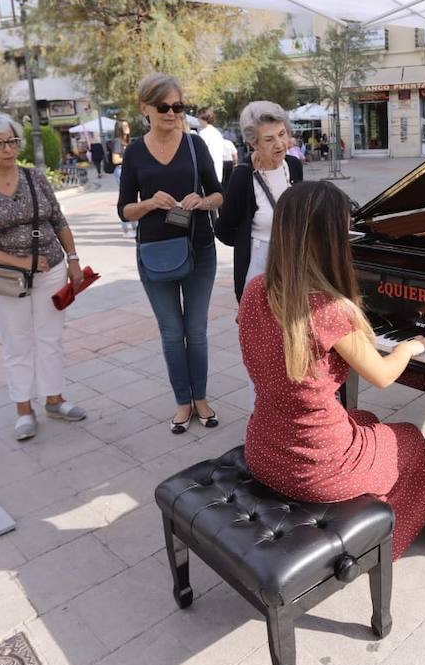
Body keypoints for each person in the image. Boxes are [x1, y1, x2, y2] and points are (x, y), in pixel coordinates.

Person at [239, 182, 425, 558]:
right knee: (409, 439)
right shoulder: (327, 309)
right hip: (313, 472)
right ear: (330, 239)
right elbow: (383, 376)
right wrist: (408, 347)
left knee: (365, 419)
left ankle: (399, 502)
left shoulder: (255, 289)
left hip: (264, 450)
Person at [0, 112, 88, 441]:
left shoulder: (35, 178)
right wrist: (20, 262)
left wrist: (73, 260)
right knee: (17, 343)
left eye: (12, 141)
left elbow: (58, 220)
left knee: (50, 337)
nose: (8, 149)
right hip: (5, 279)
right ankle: (23, 409)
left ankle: (54, 400)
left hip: (51, 268)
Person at [118, 73, 225, 433]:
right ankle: (183, 401)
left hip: (199, 247)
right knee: (171, 332)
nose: (171, 113)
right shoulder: (134, 153)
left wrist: (202, 201)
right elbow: (124, 210)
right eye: (163, 106)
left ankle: (201, 398)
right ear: (144, 108)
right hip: (155, 253)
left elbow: (218, 194)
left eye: (178, 107)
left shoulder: (195, 145)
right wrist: (148, 203)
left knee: (196, 330)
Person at [215, 101, 304, 301]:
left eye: (282, 134)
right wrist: (248, 241)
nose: (279, 144)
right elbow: (224, 230)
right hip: (259, 267)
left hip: (294, 263)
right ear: (254, 143)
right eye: (269, 139)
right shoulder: (242, 176)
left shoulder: (294, 165)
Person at [197, 107, 228, 184]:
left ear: (201, 118)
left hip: (207, 172)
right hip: (218, 171)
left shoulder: (203, 133)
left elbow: (200, 154)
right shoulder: (217, 132)